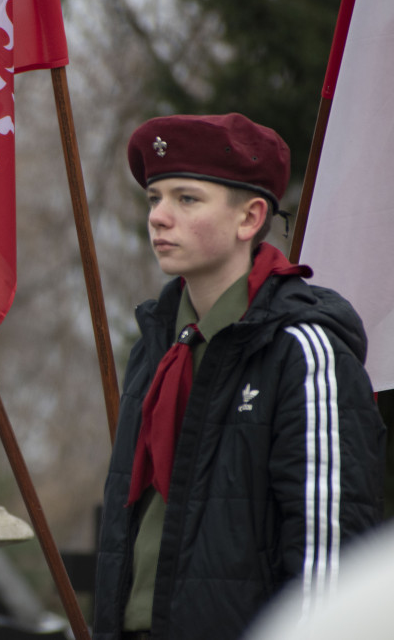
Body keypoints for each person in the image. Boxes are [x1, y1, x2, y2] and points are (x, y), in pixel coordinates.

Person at [93, 113, 386, 640]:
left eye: (186, 199)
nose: (159, 217)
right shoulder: (156, 349)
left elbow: (329, 558)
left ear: (250, 218)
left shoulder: (301, 349)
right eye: (154, 198)